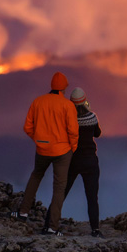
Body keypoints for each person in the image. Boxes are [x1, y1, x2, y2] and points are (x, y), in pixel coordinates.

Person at [14, 71, 78, 235]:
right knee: (59, 187)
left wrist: (39, 139)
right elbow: (73, 131)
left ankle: (23, 213)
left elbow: (27, 127)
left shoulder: (38, 101)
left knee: (36, 176)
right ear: (63, 88)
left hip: (42, 149)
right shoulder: (67, 105)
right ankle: (52, 227)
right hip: (62, 151)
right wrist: (73, 148)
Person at [42, 86, 103, 237]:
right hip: (90, 161)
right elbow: (98, 133)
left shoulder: (67, 119)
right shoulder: (92, 117)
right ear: (84, 101)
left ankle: (48, 226)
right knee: (92, 197)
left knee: (61, 193)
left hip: (72, 162)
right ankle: (95, 229)